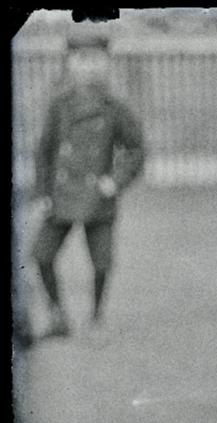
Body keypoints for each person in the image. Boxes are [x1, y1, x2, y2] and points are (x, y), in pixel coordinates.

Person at [30, 32, 145, 337]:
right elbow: (44, 150)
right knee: (41, 255)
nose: (89, 67)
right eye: (81, 60)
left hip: (98, 197)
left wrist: (115, 181)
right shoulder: (59, 105)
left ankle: (96, 319)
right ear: (69, 63)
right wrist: (42, 192)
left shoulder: (114, 106)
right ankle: (58, 317)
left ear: (107, 63)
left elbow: (136, 149)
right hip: (61, 195)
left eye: (96, 59)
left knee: (102, 263)